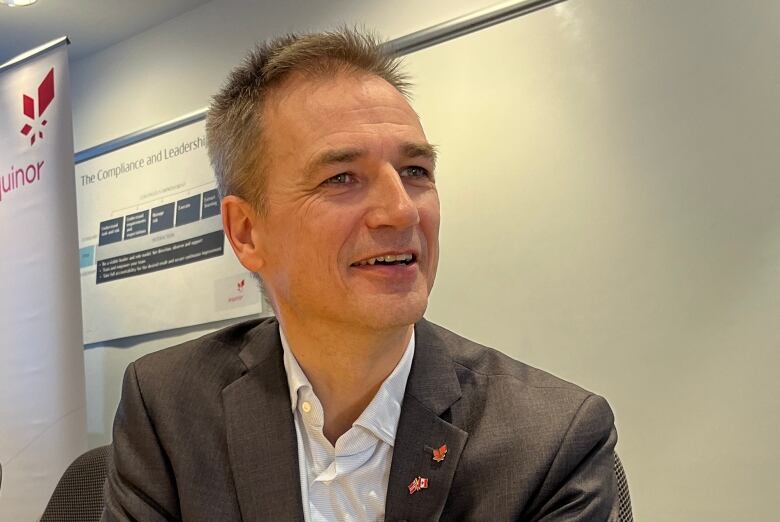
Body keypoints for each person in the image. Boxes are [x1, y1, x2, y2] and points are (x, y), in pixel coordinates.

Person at [102, 29, 618, 521]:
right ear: (246, 233)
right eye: (342, 178)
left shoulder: (549, 439)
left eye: (415, 171)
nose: (402, 211)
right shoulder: (169, 404)